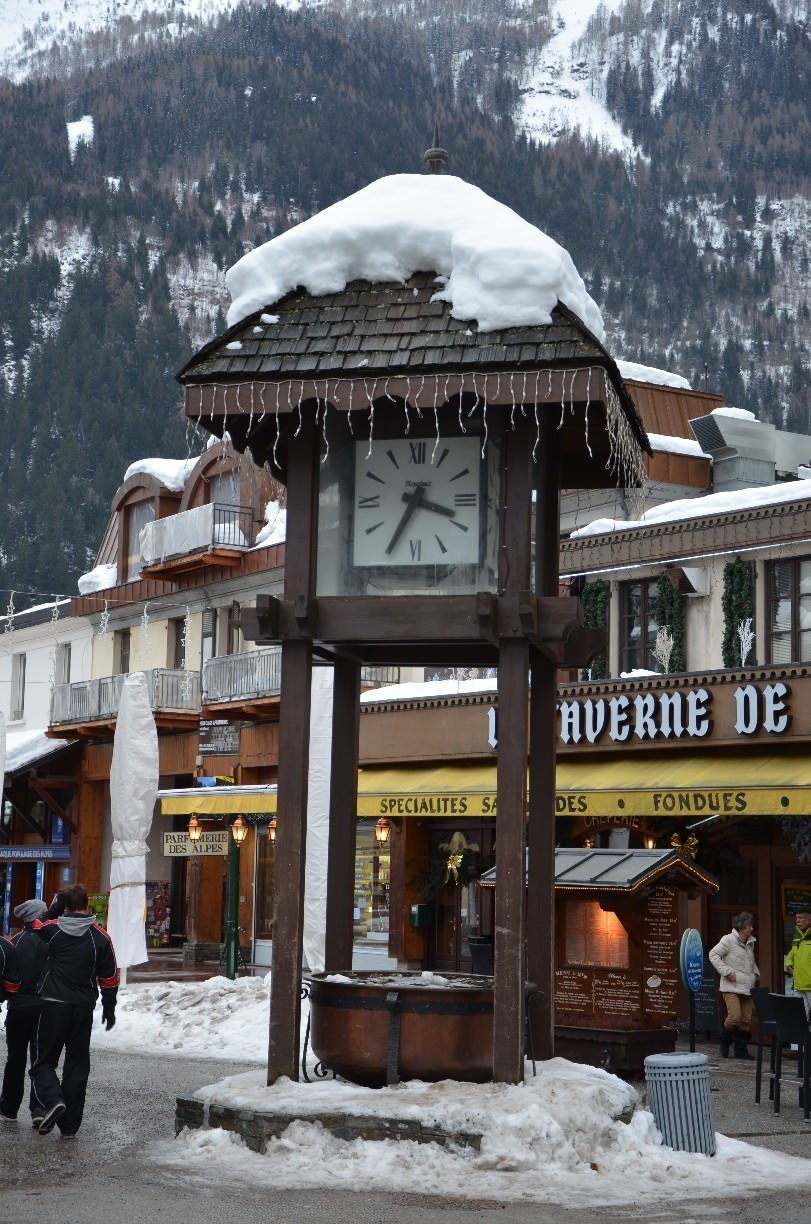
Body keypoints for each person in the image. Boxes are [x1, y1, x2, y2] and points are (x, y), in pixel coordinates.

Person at [29, 883, 119, 1137]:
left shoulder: (53, 930)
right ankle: (69, 1126)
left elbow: (34, 924)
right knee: (77, 1066)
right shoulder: (101, 937)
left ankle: (54, 1099)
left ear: (65, 906)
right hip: (82, 1007)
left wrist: (56, 907)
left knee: (43, 1062)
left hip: (53, 1004)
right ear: (87, 905)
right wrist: (109, 1007)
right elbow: (110, 976)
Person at [0, 899, 48, 1125]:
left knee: (15, 1059)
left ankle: (9, 1108)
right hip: (45, 1006)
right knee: (40, 1060)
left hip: (19, 1007)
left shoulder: (14, 942)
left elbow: (10, 980)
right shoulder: (52, 940)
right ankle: (38, 1109)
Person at [709, 911, 759, 1060]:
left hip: (748, 986)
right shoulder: (728, 940)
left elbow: (750, 961)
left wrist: (756, 974)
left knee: (745, 1021)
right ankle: (724, 1041)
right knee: (735, 1018)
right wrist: (726, 972)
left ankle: (740, 1051)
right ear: (741, 927)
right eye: (749, 925)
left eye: (751, 925)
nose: (751, 928)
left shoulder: (750, 942)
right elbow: (713, 954)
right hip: (731, 986)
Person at [785, 906, 811, 1016]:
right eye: (796, 918)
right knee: (800, 1019)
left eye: (800, 918)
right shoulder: (797, 936)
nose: (797, 921)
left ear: (809, 919)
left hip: (810, 986)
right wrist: (789, 965)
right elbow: (791, 954)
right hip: (798, 986)